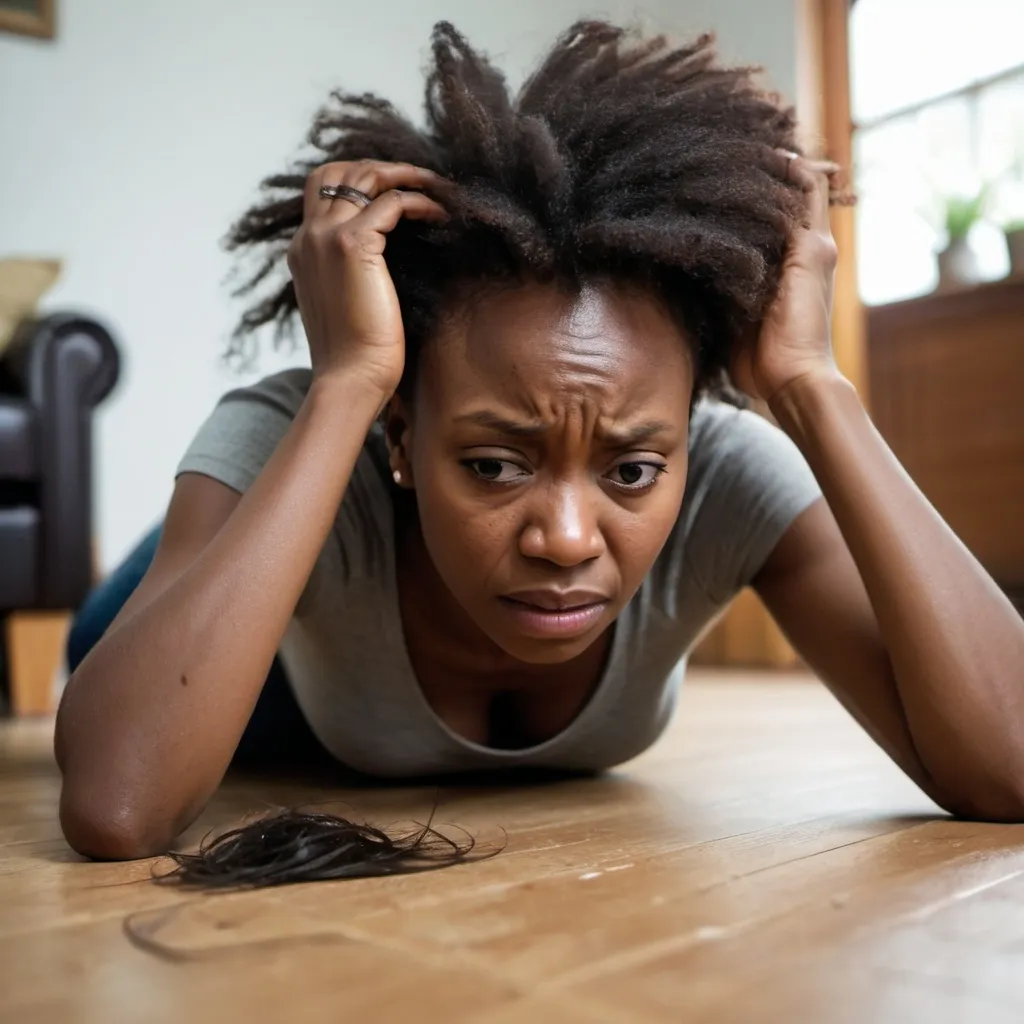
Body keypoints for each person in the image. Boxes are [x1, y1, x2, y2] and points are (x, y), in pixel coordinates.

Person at [56, 21, 1024, 867]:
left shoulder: (728, 474)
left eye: (634, 470)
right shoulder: (309, 426)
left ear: (687, 442)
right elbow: (118, 800)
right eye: (494, 464)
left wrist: (814, 388)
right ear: (401, 429)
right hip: (249, 672)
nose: (564, 539)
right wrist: (347, 386)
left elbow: (1011, 764)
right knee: (118, 622)